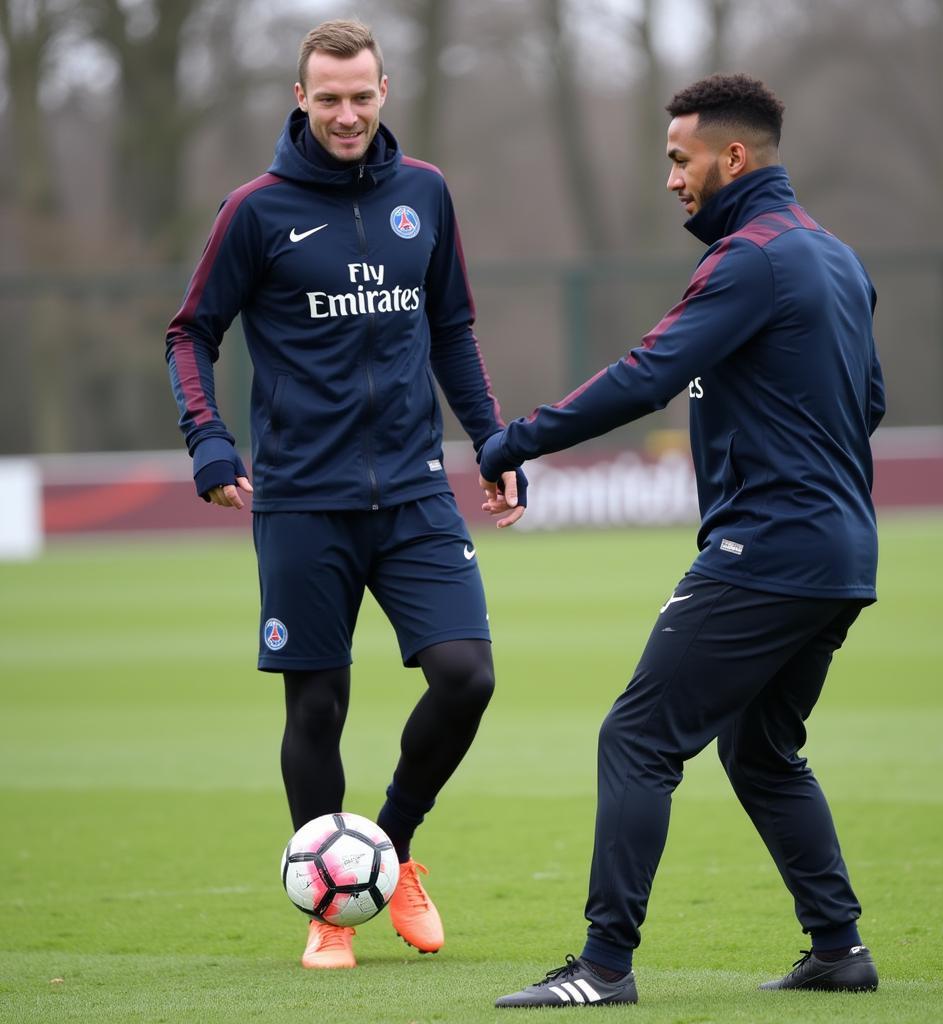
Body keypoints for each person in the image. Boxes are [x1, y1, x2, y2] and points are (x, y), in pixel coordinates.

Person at [482, 74, 885, 1007]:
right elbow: (870, 406)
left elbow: (645, 375)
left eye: (679, 158)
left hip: (769, 549)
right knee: (760, 751)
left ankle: (602, 967)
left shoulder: (751, 261)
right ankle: (839, 949)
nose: (671, 178)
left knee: (637, 736)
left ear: (731, 157)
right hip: (841, 553)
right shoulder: (834, 257)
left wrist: (513, 439)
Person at [165, 18, 526, 971]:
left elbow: (452, 329)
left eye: (361, 95)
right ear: (300, 98)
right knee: (316, 709)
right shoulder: (255, 210)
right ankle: (327, 905)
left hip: (412, 494)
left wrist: (491, 441)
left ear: (385, 90)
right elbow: (190, 332)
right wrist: (208, 439)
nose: (346, 113)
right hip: (301, 501)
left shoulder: (427, 196)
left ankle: (390, 852)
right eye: (327, 97)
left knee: (467, 676)